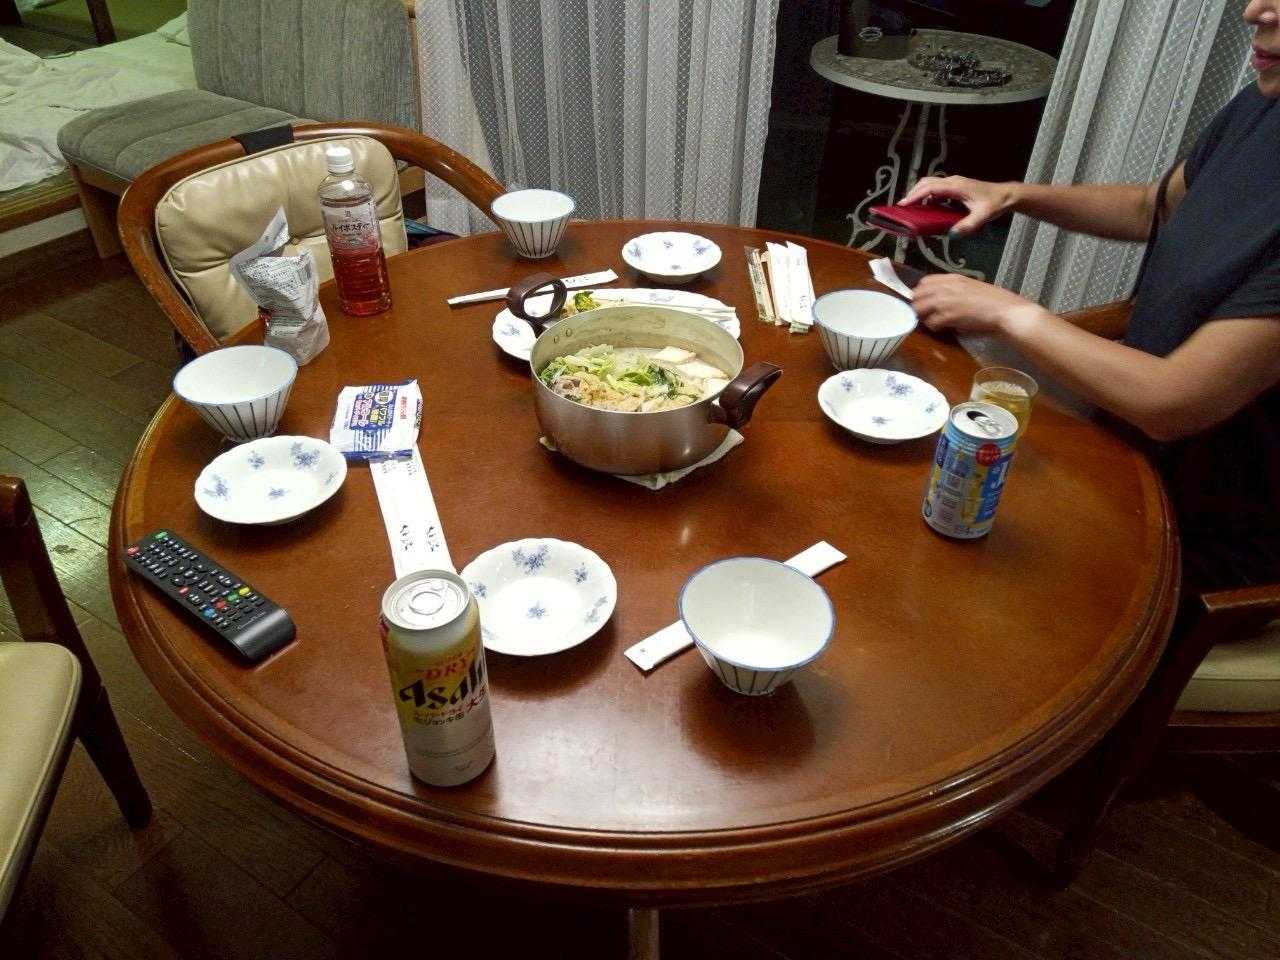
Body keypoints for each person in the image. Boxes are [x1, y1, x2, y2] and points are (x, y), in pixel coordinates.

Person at [901, 0, 1280, 592]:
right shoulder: (1264, 103)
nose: (1255, 11)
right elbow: (1151, 206)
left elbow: (1172, 403)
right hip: (1118, 437)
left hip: (1196, 526)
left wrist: (1010, 313)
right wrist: (1012, 195)